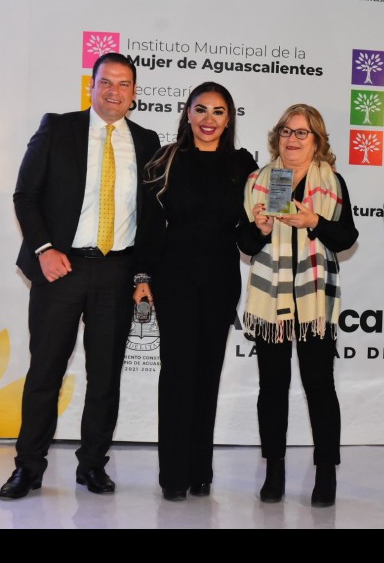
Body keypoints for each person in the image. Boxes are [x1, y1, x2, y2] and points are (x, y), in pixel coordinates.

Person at [1, 53, 161, 500]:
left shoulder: (147, 142)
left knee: (105, 377)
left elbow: (151, 218)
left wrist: (143, 274)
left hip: (118, 271)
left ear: (134, 93)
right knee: (45, 373)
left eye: (124, 84)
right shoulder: (58, 128)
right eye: (106, 82)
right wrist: (44, 250)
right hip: (61, 269)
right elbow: (25, 195)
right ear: (91, 86)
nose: (114, 91)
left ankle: (92, 465)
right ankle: (28, 468)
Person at [132, 82, 257, 502]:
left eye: (218, 111)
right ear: (187, 113)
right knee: (177, 373)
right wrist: (142, 276)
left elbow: (246, 236)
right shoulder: (165, 159)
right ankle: (173, 475)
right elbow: (150, 226)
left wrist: (262, 227)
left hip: (221, 278)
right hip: (175, 277)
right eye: (201, 109)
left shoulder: (243, 165)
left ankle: (200, 471)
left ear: (229, 118)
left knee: (207, 374)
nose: (209, 119)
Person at [239, 104, 358, 507]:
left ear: (317, 140)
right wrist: (260, 229)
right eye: (286, 131)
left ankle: (326, 472)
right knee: (272, 388)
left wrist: (315, 223)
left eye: (302, 133)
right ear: (277, 137)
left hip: (314, 302)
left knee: (319, 386)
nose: (292, 139)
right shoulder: (258, 181)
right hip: (270, 299)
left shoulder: (332, 182)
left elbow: (346, 237)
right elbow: (244, 244)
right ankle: (274, 470)